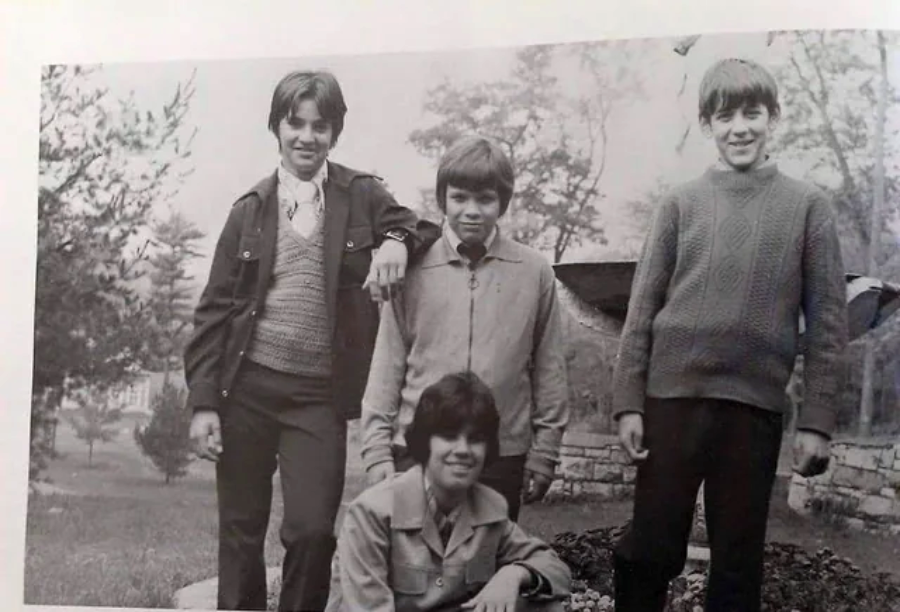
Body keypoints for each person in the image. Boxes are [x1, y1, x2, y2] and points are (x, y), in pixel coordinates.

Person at [183, 70, 439, 611]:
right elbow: (211, 314)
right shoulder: (249, 209)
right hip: (245, 390)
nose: (306, 136)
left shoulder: (361, 194)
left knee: (311, 531)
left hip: (318, 398)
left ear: (335, 133)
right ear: (276, 127)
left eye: (319, 126)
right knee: (241, 531)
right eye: (294, 123)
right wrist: (204, 404)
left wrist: (394, 240)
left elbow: (423, 230)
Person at [610, 58, 849, 612]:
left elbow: (829, 323)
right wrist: (628, 403)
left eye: (752, 113)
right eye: (725, 116)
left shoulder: (809, 207)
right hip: (671, 403)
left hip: (753, 412)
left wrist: (817, 421)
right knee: (648, 550)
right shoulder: (678, 203)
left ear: (774, 118)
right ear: (706, 124)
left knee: (737, 565)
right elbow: (642, 307)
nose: (739, 127)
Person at [360, 135, 569, 521]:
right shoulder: (412, 267)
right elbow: (387, 363)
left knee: (484, 572)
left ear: (502, 202)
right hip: (419, 450)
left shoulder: (534, 271)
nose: (471, 211)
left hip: (500, 456)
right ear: (443, 199)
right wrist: (375, 449)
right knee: (415, 569)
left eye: (485, 199)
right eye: (459, 198)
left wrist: (545, 452)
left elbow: (549, 367)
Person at [328, 372, 571, 612]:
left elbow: (554, 567)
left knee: (544, 606)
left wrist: (513, 574)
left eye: (475, 439)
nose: (463, 450)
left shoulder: (490, 509)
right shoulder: (372, 513)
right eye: (449, 436)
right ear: (425, 442)